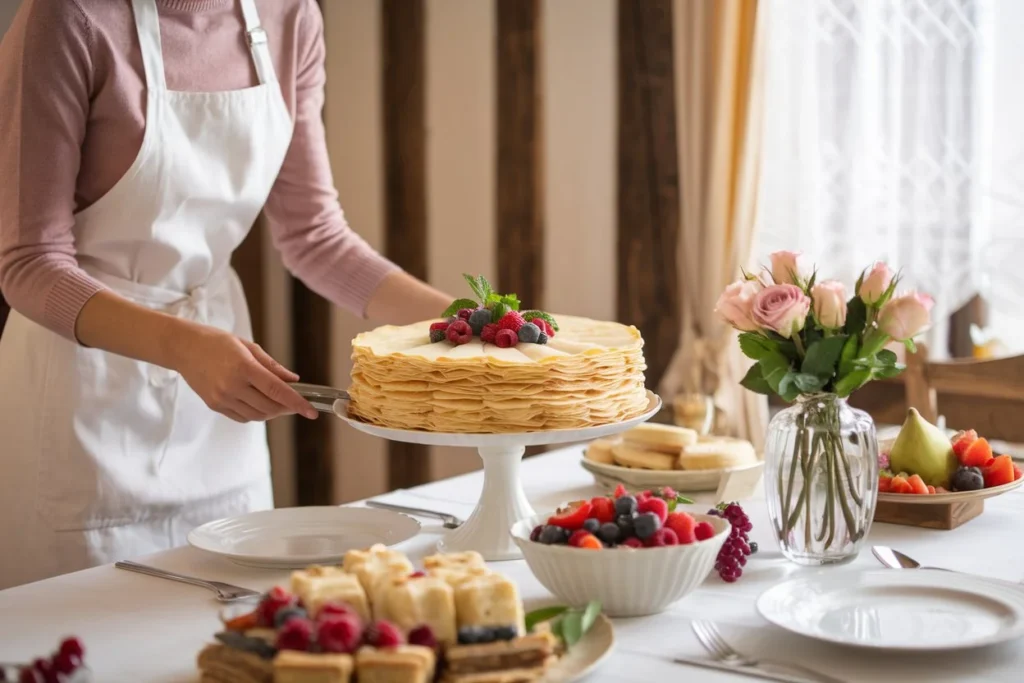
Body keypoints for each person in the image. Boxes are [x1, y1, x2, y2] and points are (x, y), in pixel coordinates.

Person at [0, 0, 450, 590]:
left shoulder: (290, 18)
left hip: (217, 407)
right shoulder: (69, 18)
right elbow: (30, 265)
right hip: (82, 403)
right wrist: (186, 349)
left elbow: (315, 237)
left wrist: (471, 322)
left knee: (232, 632)